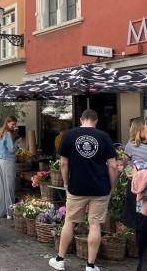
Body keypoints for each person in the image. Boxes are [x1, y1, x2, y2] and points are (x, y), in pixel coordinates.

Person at [49, 109, 117, 271]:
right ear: (96, 120)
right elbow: (113, 166)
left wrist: (66, 184)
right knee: (95, 225)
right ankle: (90, 265)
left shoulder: (69, 135)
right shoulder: (104, 137)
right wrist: (111, 187)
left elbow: (63, 163)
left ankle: (59, 260)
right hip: (100, 188)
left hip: (76, 187)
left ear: (81, 119)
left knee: (70, 222)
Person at [123, 117, 147, 271]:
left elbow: (125, 166)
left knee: (140, 223)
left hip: (138, 191)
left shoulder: (130, 146)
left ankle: (142, 257)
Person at [0, 116, 21, 219]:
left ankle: (1, 212)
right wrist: (17, 143)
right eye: (12, 124)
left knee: (1, 187)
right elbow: (11, 149)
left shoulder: (0, 133)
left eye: (15, 124)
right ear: (7, 123)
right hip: (8, 161)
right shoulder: (8, 134)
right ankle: (10, 213)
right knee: (9, 187)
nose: (14, 126)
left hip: (0, 161)